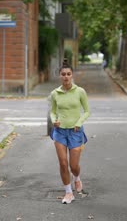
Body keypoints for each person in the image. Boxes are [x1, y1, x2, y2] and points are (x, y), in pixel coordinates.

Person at [49, 63, 90, 204]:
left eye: (68, 74)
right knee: (62, 163)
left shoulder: (80, 92)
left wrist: (79, 123)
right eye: (63, 74)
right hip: (59, 132)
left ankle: (77, 178)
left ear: (72, 75)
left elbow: (87, 111)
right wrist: (54, 120)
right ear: (60, 76)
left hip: (75, 131)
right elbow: (53, 111)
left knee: (74, 166)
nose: (66, 76)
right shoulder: (55, 93)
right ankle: (68, 192)